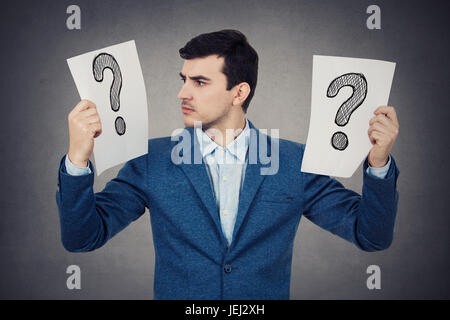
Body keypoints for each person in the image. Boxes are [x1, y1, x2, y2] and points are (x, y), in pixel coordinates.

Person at [56, 29, 400, 299]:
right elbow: (83, 238)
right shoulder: (151, 161)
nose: (182, 94)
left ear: (239, 93)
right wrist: (77, 158)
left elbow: (369, 235)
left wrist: (379, 161)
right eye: (184, 79)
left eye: (200, 82)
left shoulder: (295, 164)